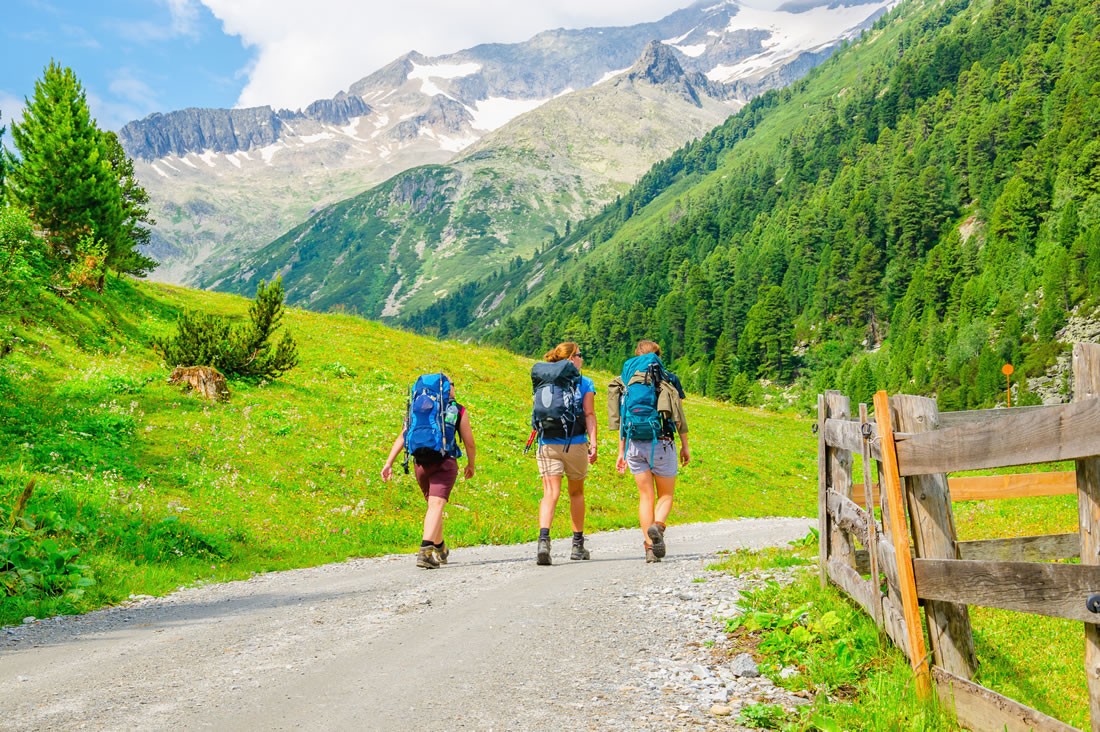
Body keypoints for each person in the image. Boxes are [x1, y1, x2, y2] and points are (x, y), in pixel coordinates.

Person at [381, 374, 476, 569]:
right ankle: (425, 552)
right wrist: (471, 464)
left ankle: (440, 547)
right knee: (436, 506)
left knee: (434, 507)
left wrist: (388, 462)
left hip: (420, 464)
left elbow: (403, 436)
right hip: (444, 462)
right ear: (448, 388)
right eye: (453, 384)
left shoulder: (418, 408)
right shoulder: (457, 410)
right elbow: (470, 443)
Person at [610, 340, 689, 563]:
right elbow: (678, 416)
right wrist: (685, 446)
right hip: (662, 441)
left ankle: (649, 549)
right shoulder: (668, 378)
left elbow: (624, 416)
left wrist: (621, 451)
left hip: (634, 444)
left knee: (646, 497)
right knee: (665, 495)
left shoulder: (626, 380)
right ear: (658, 356)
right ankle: (658, 527)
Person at [533, 341, 597, 565]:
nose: (582, 359)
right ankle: (577, 546)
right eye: (580, 355)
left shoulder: (543, 379)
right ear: (571, 359)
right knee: (576, 493)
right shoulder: (585, 382)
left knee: (550, 493)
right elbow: (589, 414)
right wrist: (594, 443)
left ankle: (543, 541)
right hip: (575, 443)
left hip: (546, 443)